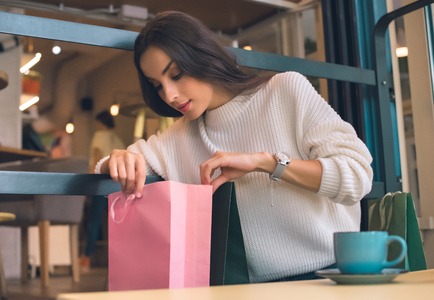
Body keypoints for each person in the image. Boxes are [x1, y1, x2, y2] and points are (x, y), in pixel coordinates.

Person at [95, 11, 373, 283]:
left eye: (176, 75)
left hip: (327, 279)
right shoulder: (179, 137)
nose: (169, 95)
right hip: (243, 289)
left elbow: (357, 176)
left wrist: (267, 163)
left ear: (202, 56)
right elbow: (110, 163)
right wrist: (116, 158)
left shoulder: (285, 91)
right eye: (157, 86)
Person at [80, 110, 125, 271]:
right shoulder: (117, 138)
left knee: (94, 221)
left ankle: (86, 259)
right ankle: (118, 261)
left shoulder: (100, 135)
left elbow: (97, 155)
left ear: (100, 122)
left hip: (101, 182)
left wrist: (89, 182)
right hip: (118, 185)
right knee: (117, 222)